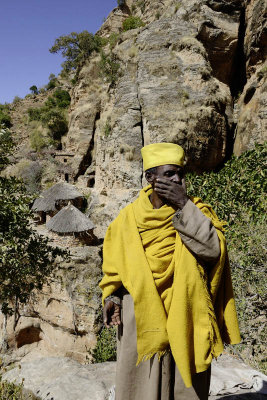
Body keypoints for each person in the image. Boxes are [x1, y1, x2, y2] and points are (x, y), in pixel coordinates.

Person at [100, 143, 240, 400]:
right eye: (168, 174)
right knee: (141, 387)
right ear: (150, 178)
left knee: (185, 388)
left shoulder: (198, 211)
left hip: (187, 314)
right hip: (140, 319)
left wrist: (183, 205)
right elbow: (114, 266)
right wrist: (112, 297)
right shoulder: (127, 219)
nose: (177, 179)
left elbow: (212, 251)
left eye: (180, 174)